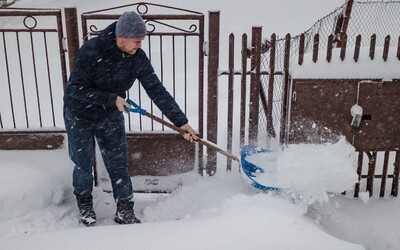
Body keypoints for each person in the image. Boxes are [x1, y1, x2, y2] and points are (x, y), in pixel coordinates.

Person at [63, 11, 197, 226]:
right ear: (122, 37)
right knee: (83, 163)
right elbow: (75, 90)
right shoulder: (92, 50)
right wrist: (111, 98)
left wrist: (180, 122)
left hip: (109, 115)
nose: (139, 46)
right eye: (137, 41)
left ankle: (125, 209)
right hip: (80, 113)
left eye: (141, 41)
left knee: (118, 162)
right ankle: (85, 204)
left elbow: (156, 90)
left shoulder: (137, 59)